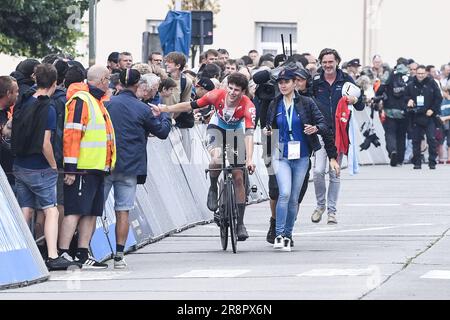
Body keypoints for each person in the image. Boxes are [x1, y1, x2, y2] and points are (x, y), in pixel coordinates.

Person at [153, 72, 256, 241]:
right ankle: (214, 186)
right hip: (216, 127)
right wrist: (166, 108)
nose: (232, 92)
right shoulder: (216, 95)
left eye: (237, 90)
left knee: (238, 176)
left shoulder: (248, 106)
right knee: (216, 159)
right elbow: (190, 105)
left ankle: (240, 224)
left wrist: (250, 159)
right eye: (230, 88)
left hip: (235, 133)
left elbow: (250, 134)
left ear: (243, 92)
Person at [264, 68, 339, 251]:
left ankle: (289, 234)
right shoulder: (274, 103)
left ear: (294, 83)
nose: (283, 85)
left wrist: (316, 129)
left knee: (294, 198)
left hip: (302, 156)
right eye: (280, 82)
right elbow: (269, 128)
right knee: (285, 193)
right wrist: (268, 135)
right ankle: (279, 234)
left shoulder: (306, 103)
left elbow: (323, 124)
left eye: (286, 82)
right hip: (280, 155)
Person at [11, 64, 76, 271]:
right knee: (52, 211)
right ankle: (53, 255)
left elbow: (8, 127)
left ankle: (20, 251)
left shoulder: (23, 101)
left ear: (36, 79)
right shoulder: (48, 108)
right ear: (55, 83)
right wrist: (54, 166)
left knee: (26, 209)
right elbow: (45, 143)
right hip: (41, 168)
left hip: (20, 165)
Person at [105, 69, 171, 268]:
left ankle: (82, 253)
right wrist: (164, 115)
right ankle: (119, 255)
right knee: (123, 210)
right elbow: (162, 132)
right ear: (137, 85)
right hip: (130, 166)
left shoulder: (106, 104)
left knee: (92, 212)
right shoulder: (142, 109)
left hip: (105, 163)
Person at [58, 65, 116, 269]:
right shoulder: (82, 101)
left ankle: (83, 253)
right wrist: (71, 168)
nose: (109, 83)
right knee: (74, 211)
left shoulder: (95, 101)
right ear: (102, 80)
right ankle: (64, 253)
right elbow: (71, 134)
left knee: (91, 212)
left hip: (96, 167)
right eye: (108, 79)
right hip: (83, 167)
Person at [311, 48, 364, 225]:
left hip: (339, 133)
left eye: (330, 62)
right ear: (321, 63)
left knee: (334, 173)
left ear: (337, 62)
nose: (327, 65)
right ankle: (320, 205)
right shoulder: (316, 81)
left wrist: (355, 101)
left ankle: (332, 211)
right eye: (324, 62)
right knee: (318, 171)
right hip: (320, 132)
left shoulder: (347, 80)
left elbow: (361, 105)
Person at [405, 65, 443, 169]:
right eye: (419, 73)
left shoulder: (432, 83)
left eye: (422, 73)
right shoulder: (411, 84)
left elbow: (438, 98)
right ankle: (417, 162)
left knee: (431, 139)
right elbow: (405, 96)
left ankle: (432, 161)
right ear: (415, 73)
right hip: (416, 116)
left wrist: (433, 109)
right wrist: (409, 100)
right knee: (416, 140)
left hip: (429, 116)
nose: (420, 76)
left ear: (426, 73)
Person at [376, 62, 409, 166]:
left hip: (390, 111)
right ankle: (400, 159)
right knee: (401, 136)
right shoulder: (408, 79)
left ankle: (392, 151)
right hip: (404, 112)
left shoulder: (389, 77)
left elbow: (379, 91)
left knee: (390, 133)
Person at [163, 52, 194, 128]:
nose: (166, 64)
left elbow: (184, 105)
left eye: (169, 62)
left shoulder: (186, 81)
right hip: (158, 119)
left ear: (178, 66)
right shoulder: (162, 78)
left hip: (172, 122)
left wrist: (171, 119)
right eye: (166, 61)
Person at [0, 76, 18, 188]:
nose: (18, 95)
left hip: (10, 174)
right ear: (8, 93)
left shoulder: (7, 113)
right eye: (16, 91)